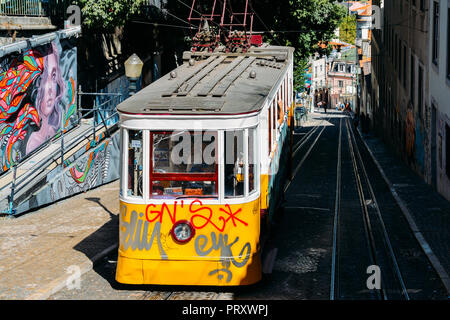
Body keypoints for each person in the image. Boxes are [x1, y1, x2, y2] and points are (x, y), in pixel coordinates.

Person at [26, 42, 65, 154]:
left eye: (53, 76)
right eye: (43, 78)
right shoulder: (32, 145)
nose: (50, 89)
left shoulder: (54, 129)